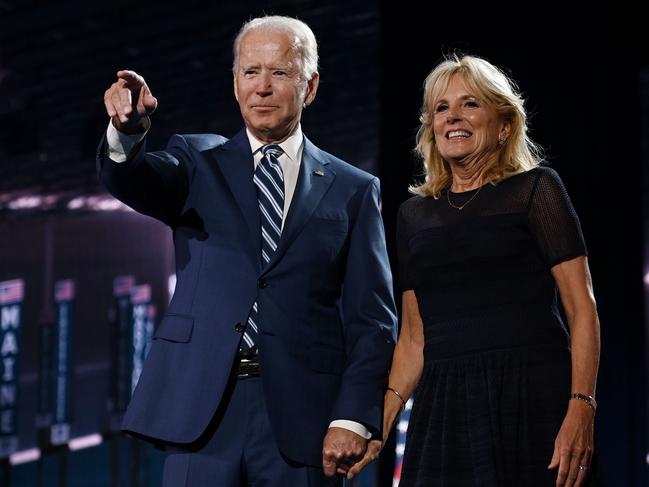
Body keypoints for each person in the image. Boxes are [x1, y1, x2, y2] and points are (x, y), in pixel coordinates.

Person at [98, 15, 396, 486]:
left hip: (302, 418)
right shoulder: (196, 162)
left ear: (310, 86)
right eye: (251, 72)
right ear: (235, 84)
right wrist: (127, 132)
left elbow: (372, 320)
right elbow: (131, 179)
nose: (262, 87)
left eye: (279, 73)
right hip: (202, 409)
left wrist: (353, 417)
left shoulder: (354, 190)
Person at [348, 54, 600, 486]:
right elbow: (412, 339)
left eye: (469, 104)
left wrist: (582, 406)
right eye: (441, 108)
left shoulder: (536, 190)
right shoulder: (413, 215)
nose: (453, 117)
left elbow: (582, 310)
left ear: (503, 125)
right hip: (445, 404)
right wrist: (378, 426)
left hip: (530, 394)